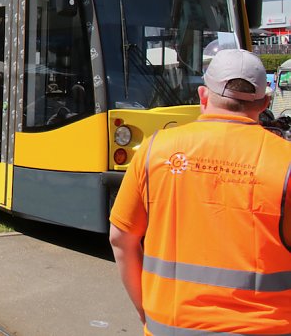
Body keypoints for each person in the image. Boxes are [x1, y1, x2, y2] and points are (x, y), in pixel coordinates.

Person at [109, 49, 291, 334]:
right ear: (265, 102)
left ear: (203, 96)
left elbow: (121, 239)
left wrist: (146, 310)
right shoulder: (286, 161)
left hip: (169, 327)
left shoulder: (154, 150)